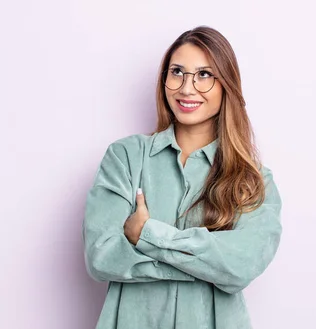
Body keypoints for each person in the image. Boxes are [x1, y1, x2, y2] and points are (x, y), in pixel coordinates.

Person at [82, 25, 283, 329]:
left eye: (204, 75)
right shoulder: (125, 157)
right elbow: (101, 256)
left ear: (225, 84)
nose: (187, 88)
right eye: (177, 72)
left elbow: (241, 266)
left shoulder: (253, 181)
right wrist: (207, 264)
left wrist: (146, 234)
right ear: (164, 80)